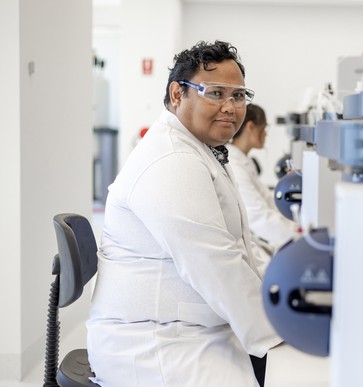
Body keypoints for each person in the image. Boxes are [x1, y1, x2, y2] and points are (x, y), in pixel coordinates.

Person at [86, 40, 282, 387]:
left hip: (187, 328)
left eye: (238, 96)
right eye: (216, 93)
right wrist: (282, 331)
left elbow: (236, 244)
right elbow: (215, 264)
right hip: (156, 345)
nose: (231, 107)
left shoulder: (200, 150)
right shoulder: (171, 161)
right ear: (178, 94)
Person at [226, 104, 300, 253]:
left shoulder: (243, 160)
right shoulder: (233, 163)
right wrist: (298, 238)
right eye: (264, 129)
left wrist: (297, 228)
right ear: (251, 126)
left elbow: (269, 201)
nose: (265, 135)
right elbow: (256, 214)